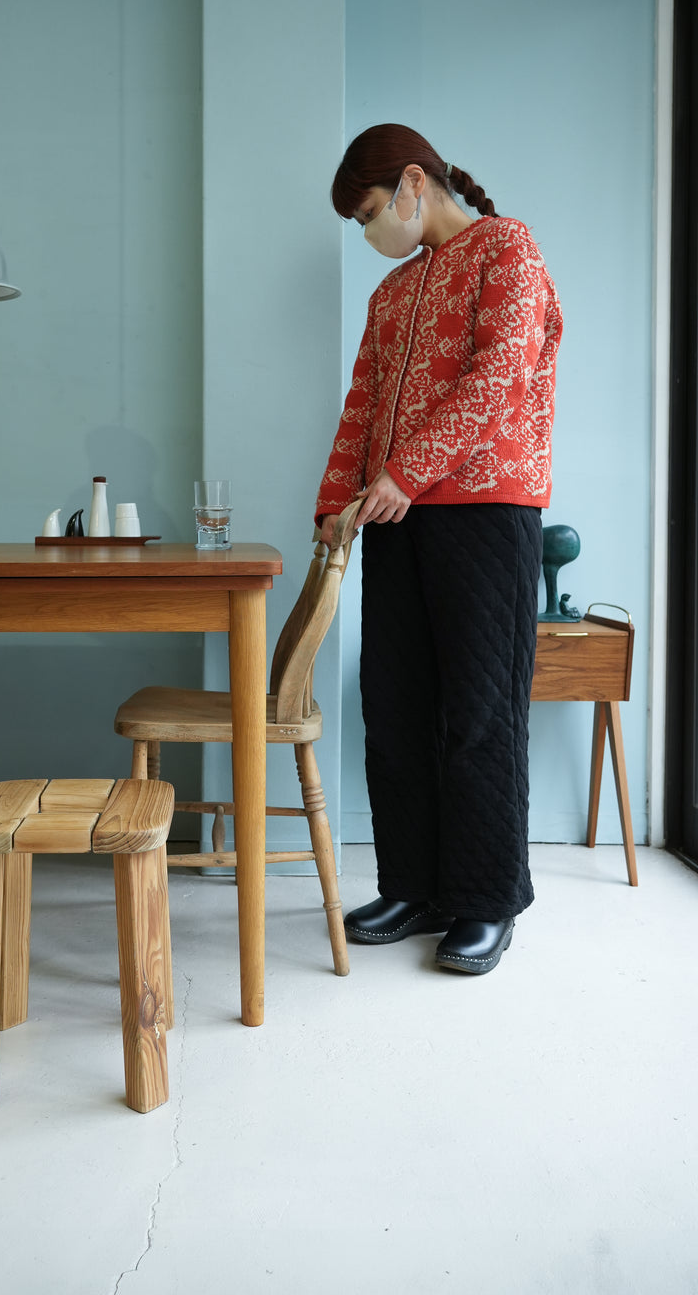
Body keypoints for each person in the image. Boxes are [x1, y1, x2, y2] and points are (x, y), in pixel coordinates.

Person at [316, 123, 562, 975]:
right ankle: (415, 884)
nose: (371, 231)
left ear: (416, 183)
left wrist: (408, 472)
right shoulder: (394, 295)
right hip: (394, 516)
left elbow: (496, 375)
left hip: (487, 513)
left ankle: (487, 899)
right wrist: (332, 502)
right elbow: (362, 402)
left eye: (374, 211)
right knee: (395, 705)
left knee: (480, 712)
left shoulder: (509, 250)